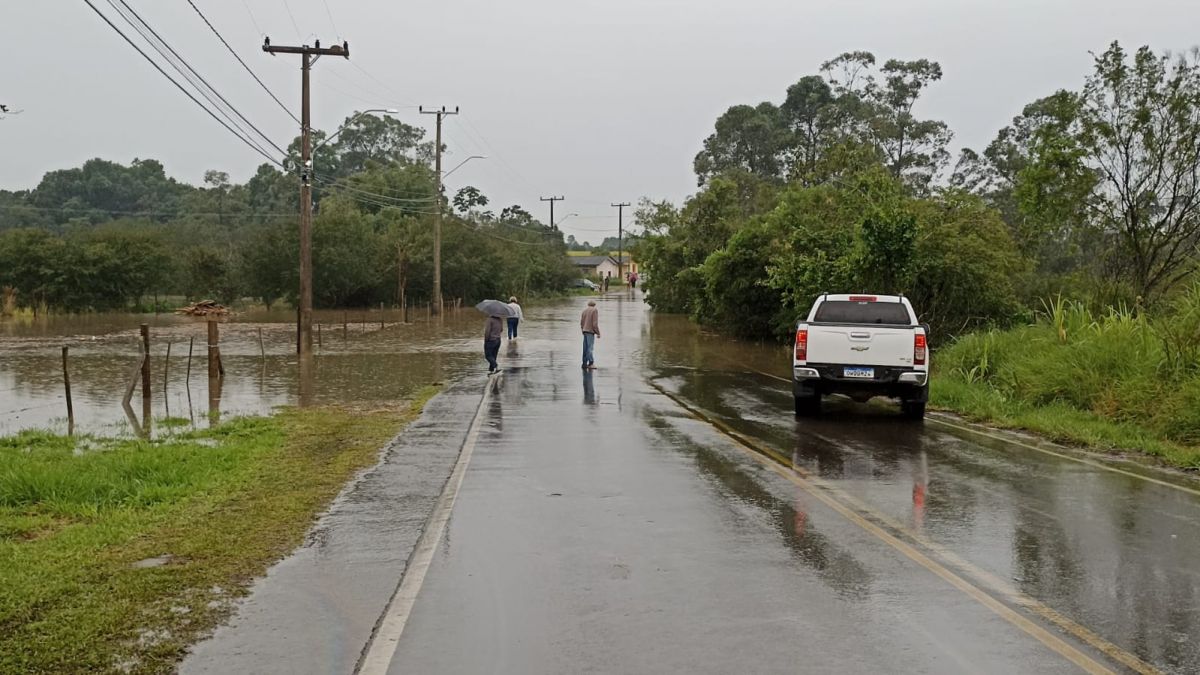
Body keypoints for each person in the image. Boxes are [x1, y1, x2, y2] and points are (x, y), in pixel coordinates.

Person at [580, 299, 600, 369]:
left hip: (585, 331)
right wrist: (598, 333)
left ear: (588, 304)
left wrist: (582, 330)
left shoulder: (584, 311)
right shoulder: (594, 310)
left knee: (585, 348)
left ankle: (584, 363)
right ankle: (591, 363)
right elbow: (595, 323)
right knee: (590, 348)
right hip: (590, 331)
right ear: (594, 305)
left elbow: (581, 323)